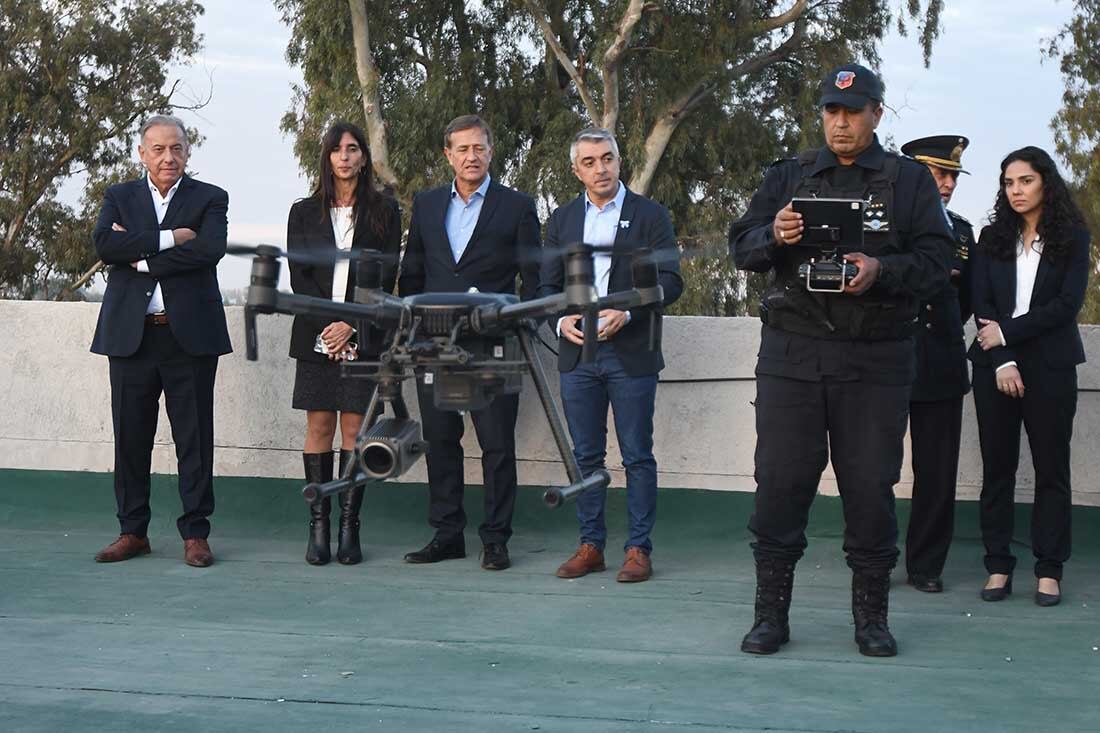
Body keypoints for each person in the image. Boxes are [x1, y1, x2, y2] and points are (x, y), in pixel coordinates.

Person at [729, 64, 953, 656]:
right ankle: (770, 617)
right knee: (778, 486)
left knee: (870, 490)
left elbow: (937, 262)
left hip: (875, 359)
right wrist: (774, 235)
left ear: (876, 114)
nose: (841, 123)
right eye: (832, 111)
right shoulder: (788, 177)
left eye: (853, 112)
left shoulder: (909, 183)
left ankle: (871, 621)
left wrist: (883, 271)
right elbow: (742, 248)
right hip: (792, 355)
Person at [539, 127, 683, 583]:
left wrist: (629, 311)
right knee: (586, 456)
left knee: (637, 455)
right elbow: (545, 289)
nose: (600, 168)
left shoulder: (650, 215)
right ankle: (590, 546)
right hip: (578, 356)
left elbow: (671, 282)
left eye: (607, 159)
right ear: (575, 169)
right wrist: (561, 321)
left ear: (619, 162)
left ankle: (638, 548)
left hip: (631, 353)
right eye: (589, 162)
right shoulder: (560, 221)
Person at [397, 114, 541, 571]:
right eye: (461, 149)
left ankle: (495, 539)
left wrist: (523, 323)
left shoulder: (518, 207)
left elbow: (534, 282)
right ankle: (447, 534)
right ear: (448, 155)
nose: (471, 156)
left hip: (493, 344)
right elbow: (412, 275)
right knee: (441, 439)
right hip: (433, 342)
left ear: (491, 151)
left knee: (497, 443)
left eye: (478, 148)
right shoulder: (426, 204)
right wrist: (409, 329)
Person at [90, 115, 232, 568]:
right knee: (130, 439)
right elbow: (105, 248)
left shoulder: (210, 197)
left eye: (177, 148)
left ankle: (195, 534)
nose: (168, 157)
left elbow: (209, 250)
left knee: (195, 439)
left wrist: (141, 259)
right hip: (131, 338)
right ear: (142, 153)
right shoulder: (119, 197)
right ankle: (132, 532)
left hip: (188, 337)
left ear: (188, 152)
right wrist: (171, 239)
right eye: (158, 149)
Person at [969, 146, 1089, 607]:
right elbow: (982, 302)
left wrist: (1008, 335)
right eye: (1008, 183)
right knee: (997, 470)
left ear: (1046, 184)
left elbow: (1064, 306)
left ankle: (1049, 569)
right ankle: (998, 565)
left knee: (1051, 470)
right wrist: (1002, 358)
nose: (1015, 191)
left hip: (1051, 365)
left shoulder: (1073, 238)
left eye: (1025, 181)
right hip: (994, 364)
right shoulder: (990, 237)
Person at [287, 121, 401, 566]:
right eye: (337, 150)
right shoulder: (303, 212)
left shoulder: (385, 212)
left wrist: (352, 324)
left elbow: (387, 277)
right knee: (319, 427)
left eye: (353, 149)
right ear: (327, 158)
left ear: (364, 158)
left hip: (365, 333)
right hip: (315, 335)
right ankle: (318, 525)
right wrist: (329, 327)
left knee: (355, 430)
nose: (345, 157)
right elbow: (299, 277)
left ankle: (350, 526)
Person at [897, 135, 975, 593]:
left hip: (942, 363)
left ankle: (926, 565)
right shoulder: (885, 225)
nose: (947, 184)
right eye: (937, 174)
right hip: (886, 356)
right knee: (874, 467)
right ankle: (874, 557)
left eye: (952, 177)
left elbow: (965, 301)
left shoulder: (962, 233)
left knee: (938, 470)